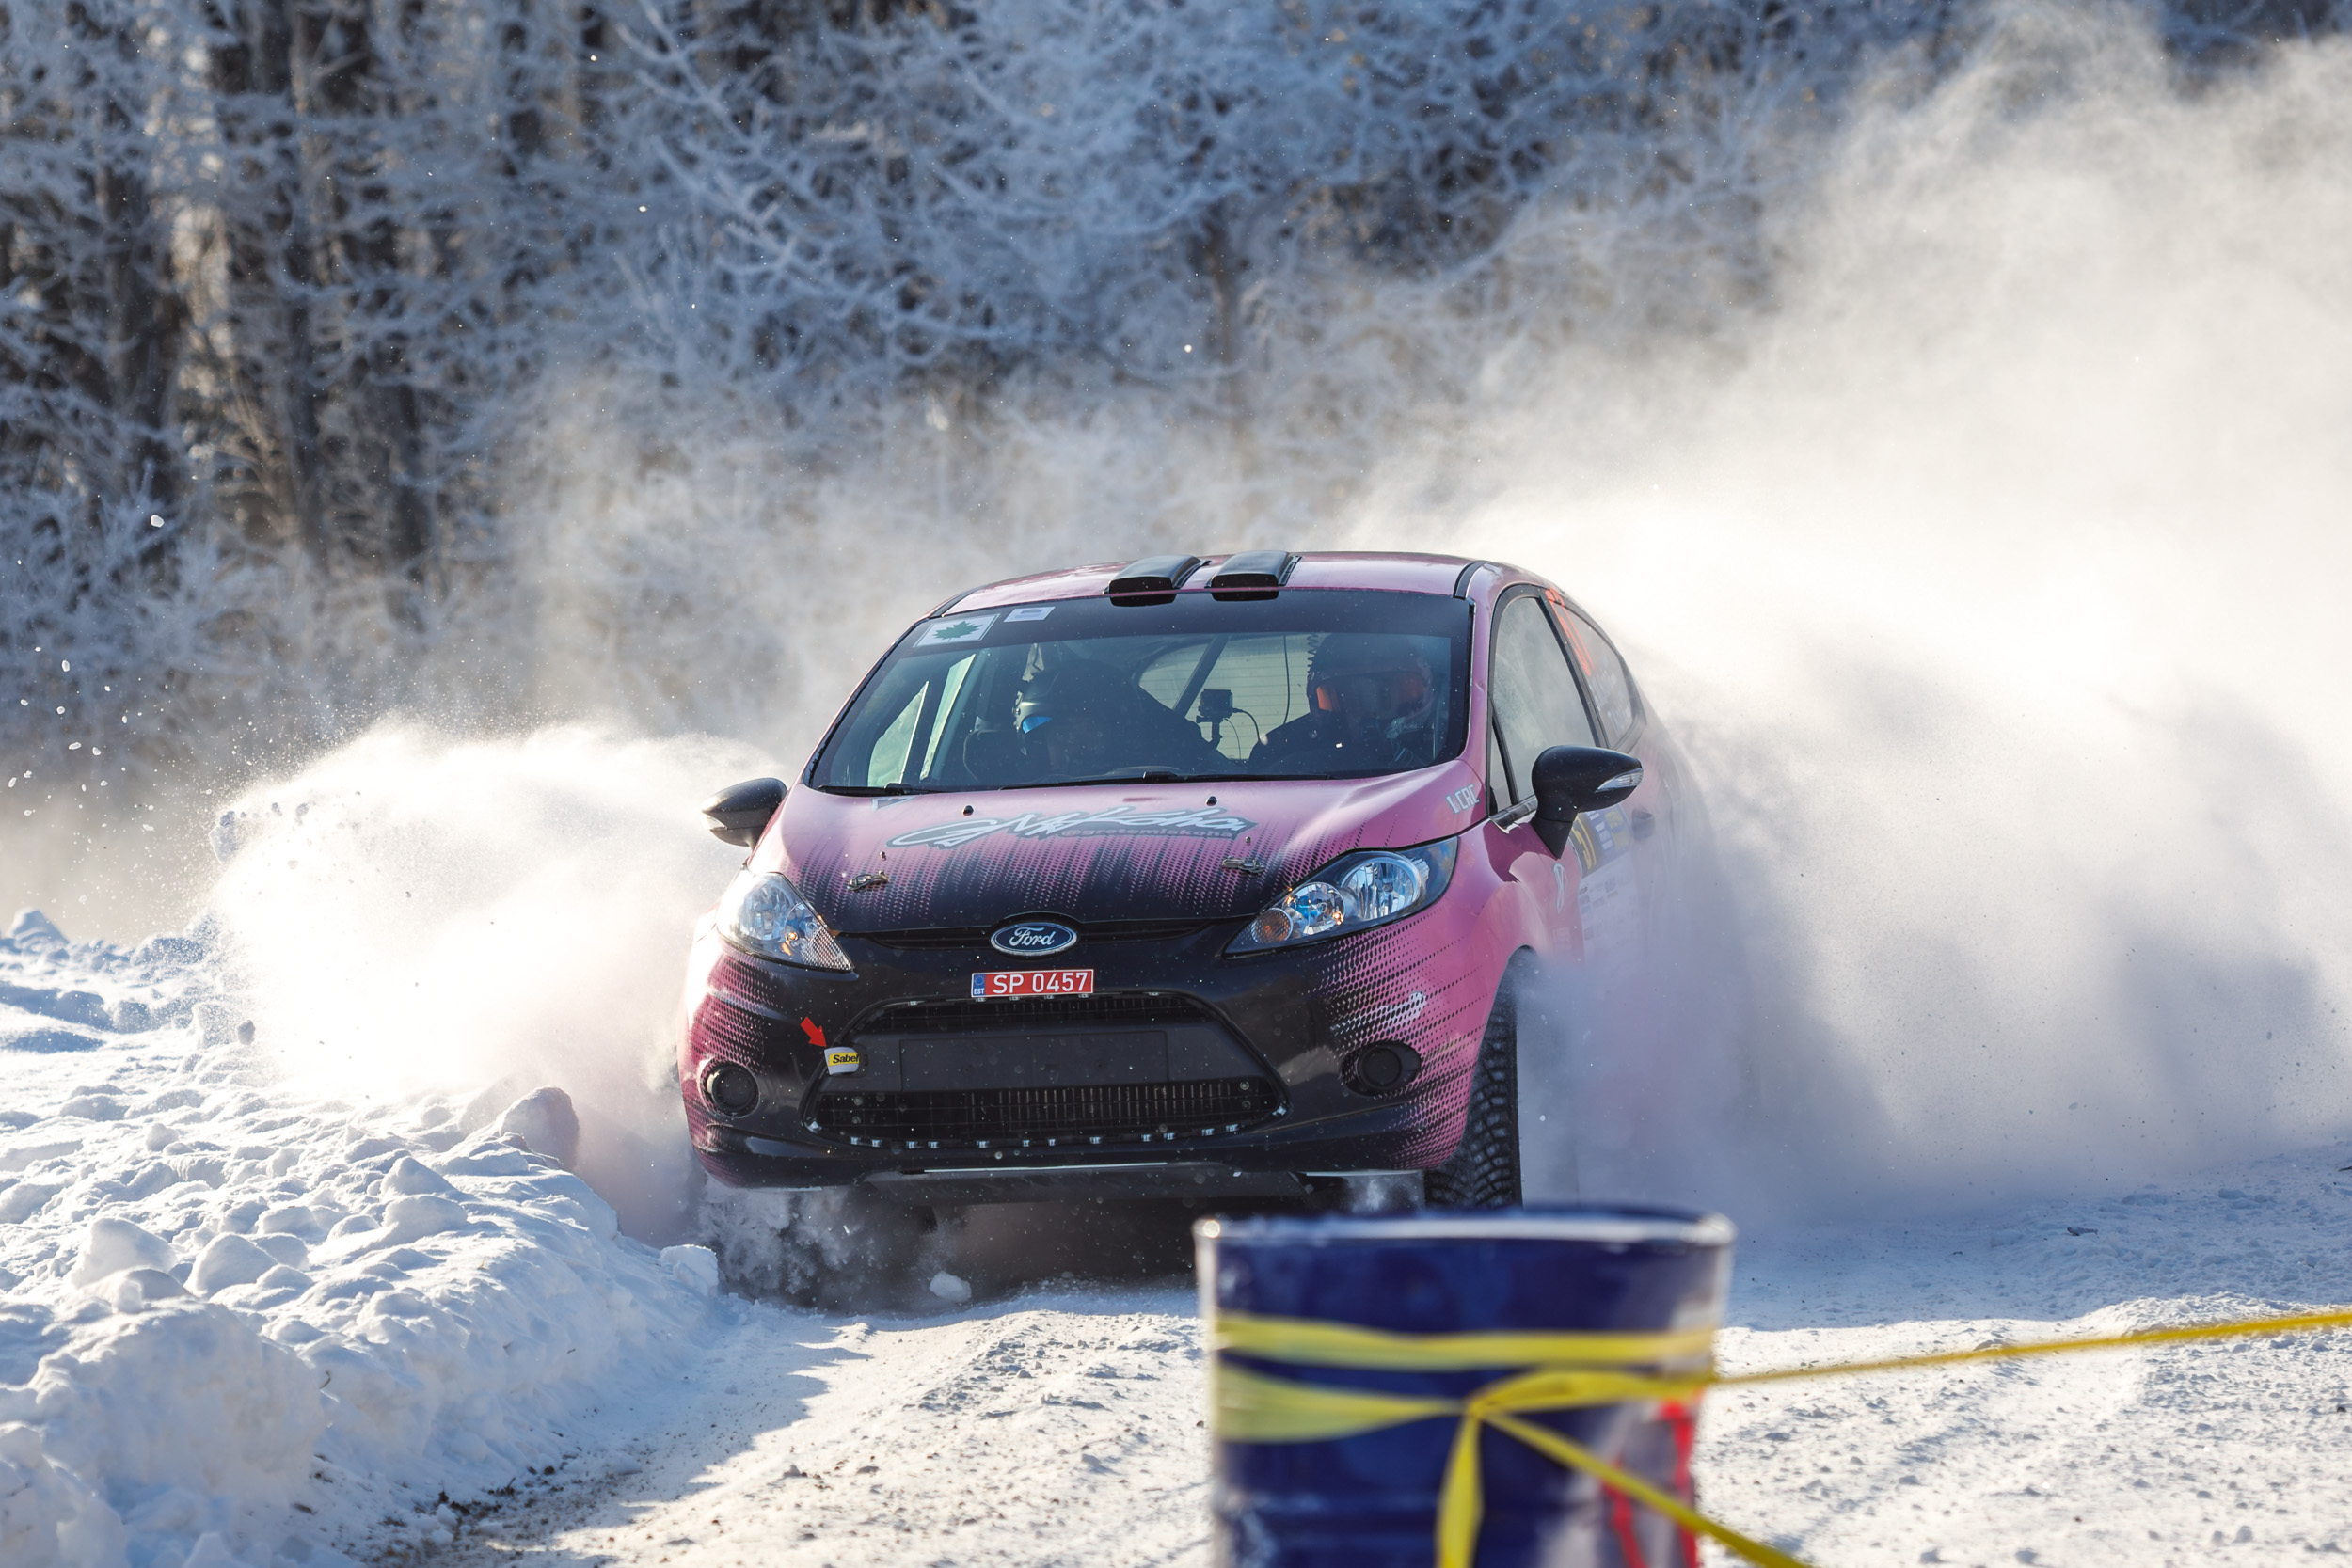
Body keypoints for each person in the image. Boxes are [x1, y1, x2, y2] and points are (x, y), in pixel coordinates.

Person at [1251, 634, 1441, 772]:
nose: (1369, 712)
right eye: (1346, 696)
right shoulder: (1279, 753)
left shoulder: (1444, 749)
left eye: (1387, 693)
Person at [1012, 658, 1221, 779]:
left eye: (1088, 731)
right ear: (1036, 742)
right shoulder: (1013, 792)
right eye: (1061, 734)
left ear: (1118, 732)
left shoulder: (1170, 778)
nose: (1073, 746)